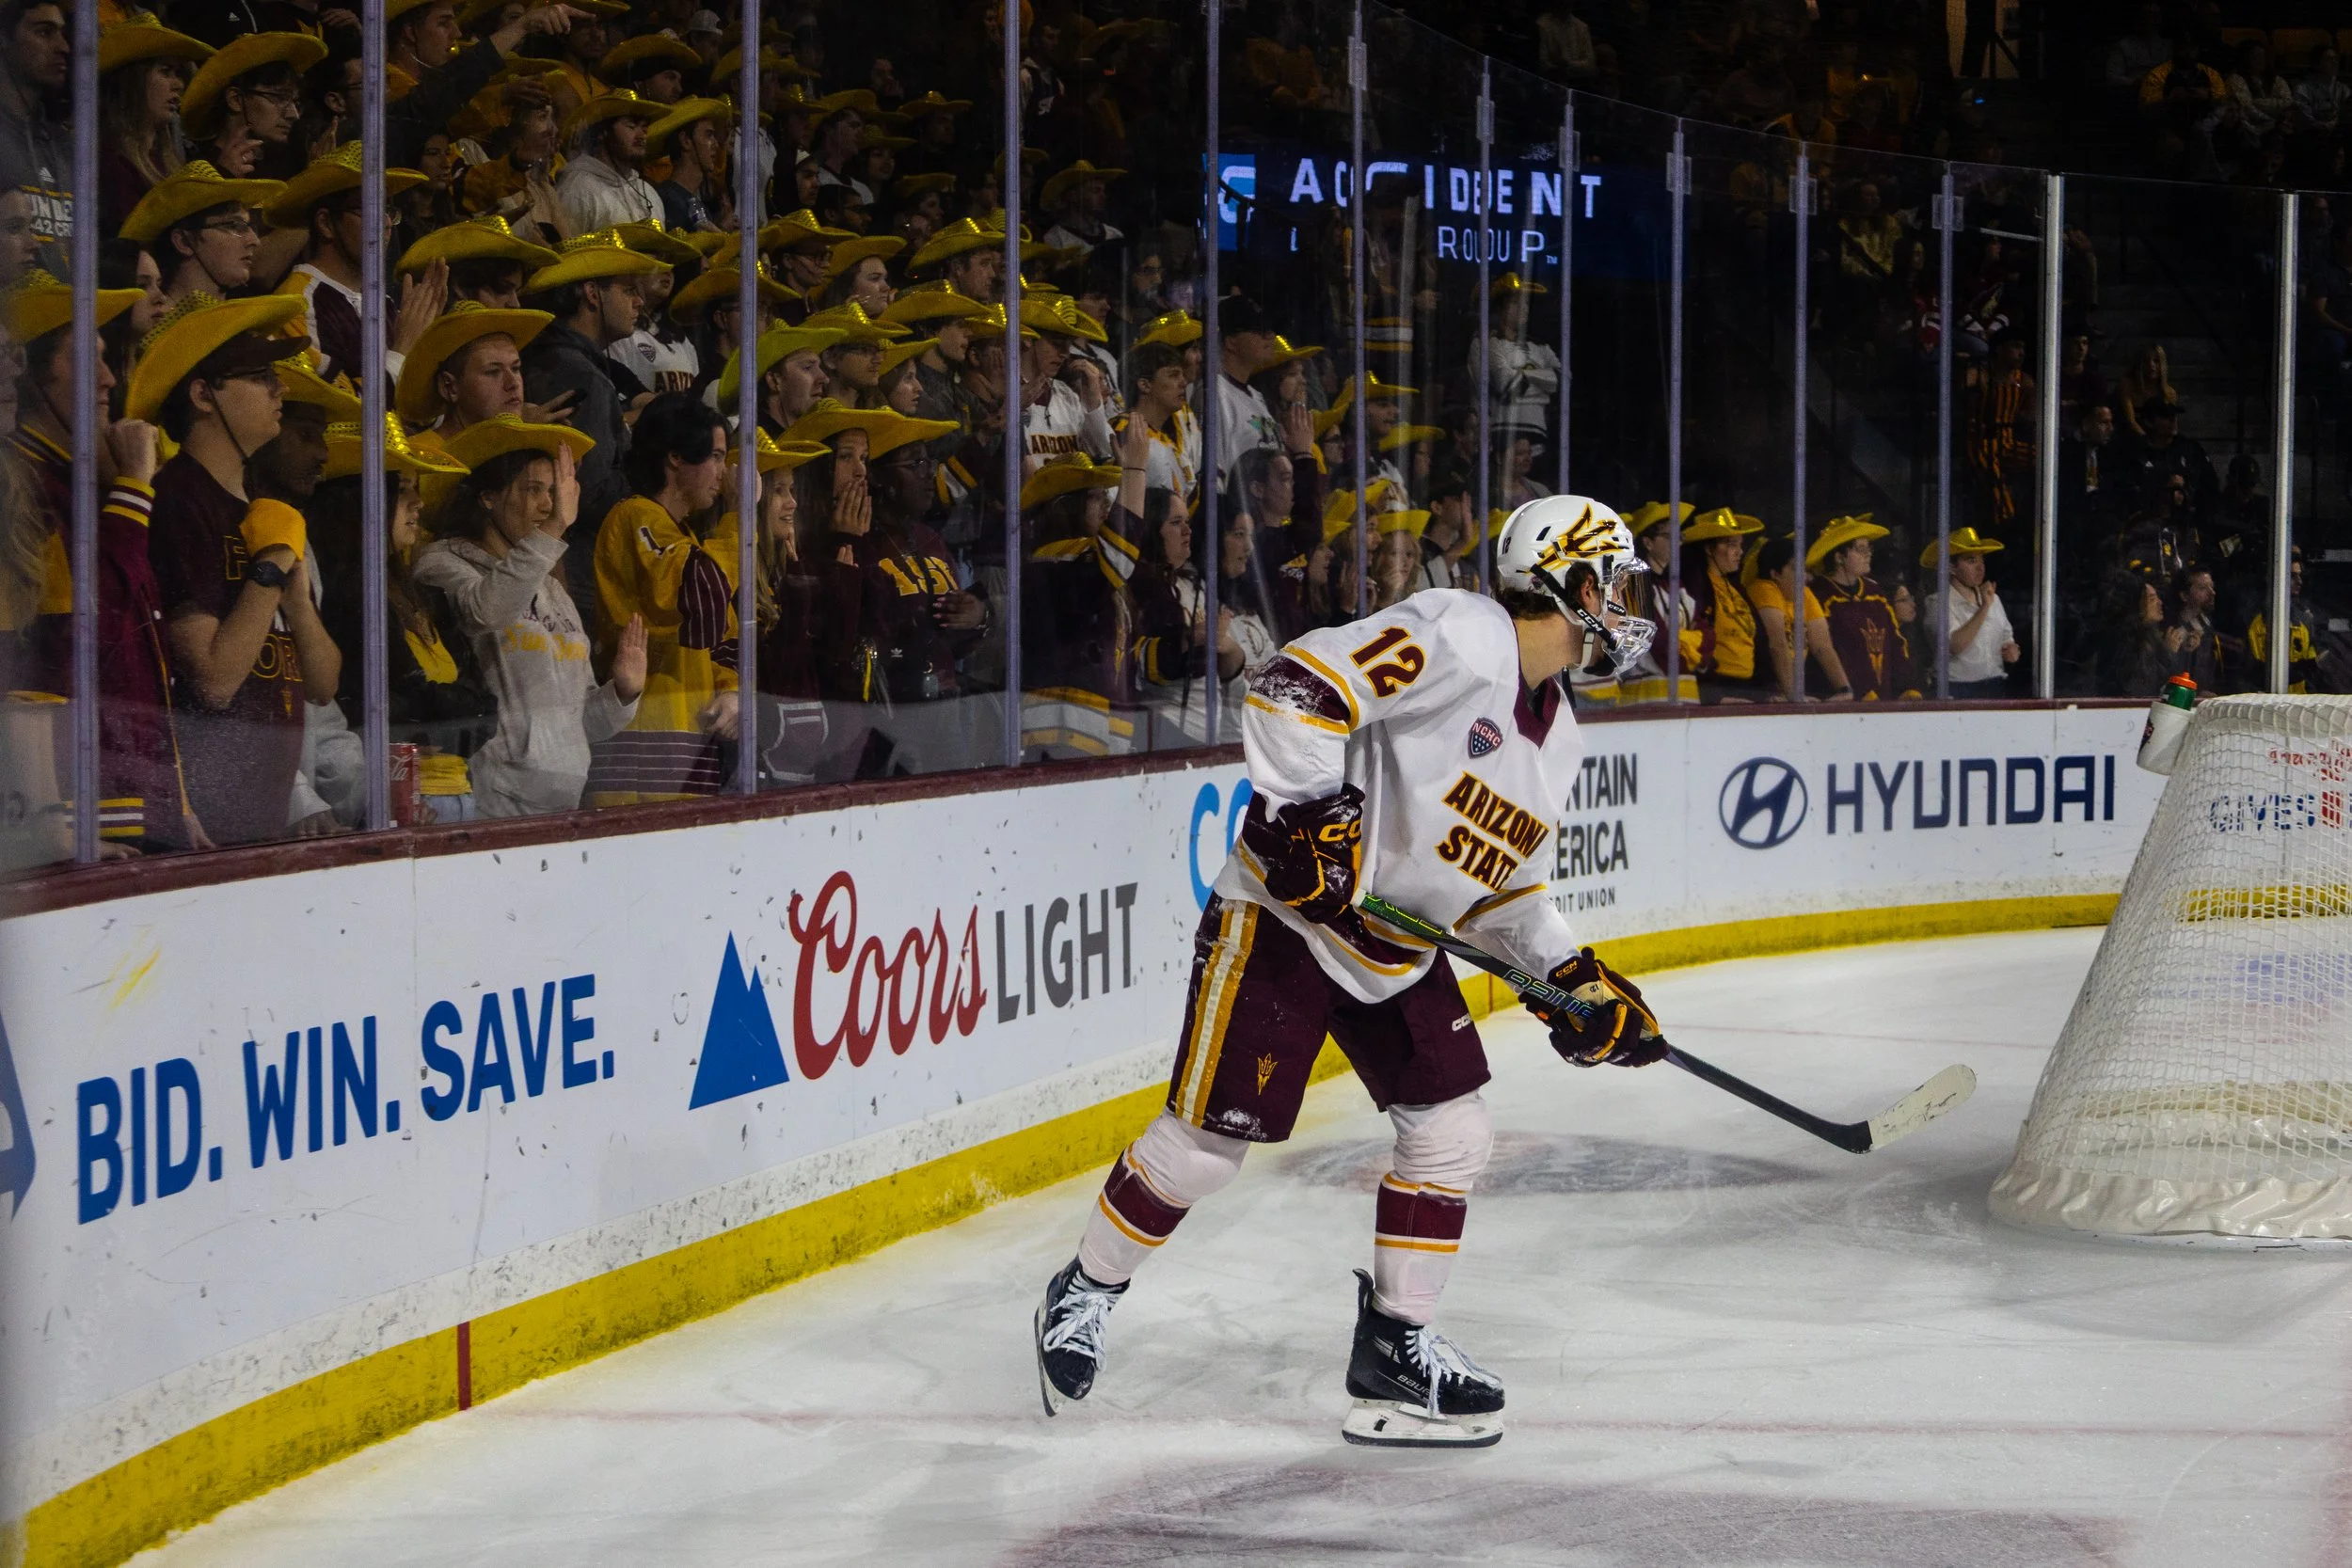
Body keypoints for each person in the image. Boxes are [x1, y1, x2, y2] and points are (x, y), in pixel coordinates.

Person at [1032, 494, 1671, 1448]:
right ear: (1572, 581)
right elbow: (1295, 686)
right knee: (1207, 1145)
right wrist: (1304, 817)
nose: (1630, 605)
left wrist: (1573, 976)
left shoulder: (1561, 738)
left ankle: (1393, 1347)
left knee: (1451, 1132)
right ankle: (1083, 1288)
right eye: (1617, 581)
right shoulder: (1462, 632)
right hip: (1286, 917)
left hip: (1394, 942)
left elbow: (1501, 895)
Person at [3, 268, 203, 853]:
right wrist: (135, 487)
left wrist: (177, 801)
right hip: (82, 816)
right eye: (85, 359)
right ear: (35, 370)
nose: (109, 378)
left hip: (130, 805)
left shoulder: (77, 480)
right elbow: (80, 634)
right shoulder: (26, 485)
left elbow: (141, 647)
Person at [134, 292, 342, 847]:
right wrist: (271, 570)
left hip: (260, 817)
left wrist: (295, 600)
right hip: (204, 823)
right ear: (204, 394)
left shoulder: (258, 510)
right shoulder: (179, 499)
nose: (281, 389)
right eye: (259, 377)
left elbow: (324, 684)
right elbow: (215, 679)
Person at [414, 415, 649, 816]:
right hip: (492, 798)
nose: (548, 505)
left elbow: (582, 724)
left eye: (554, 492)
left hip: (564, 801)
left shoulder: (552, 588)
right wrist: (555, 528)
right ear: (488, 496)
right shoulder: (443, 562)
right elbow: (485, 611)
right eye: (534, 490)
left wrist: (622, 693)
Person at [584, 391, 741, 804]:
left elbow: (721, 633)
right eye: (717, 456)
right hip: (639, 759)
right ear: (675, 458)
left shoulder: (686, 537)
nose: (723, 474)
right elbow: (700, 592)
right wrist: (738, 521)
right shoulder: (634, 516)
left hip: (688, 750)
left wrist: (731, 690)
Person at [521, 230, 666, 597]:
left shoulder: (554, 357)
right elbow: (592, 494)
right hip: (578, 565)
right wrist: (655, 477)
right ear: (591, 294)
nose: (640, 302)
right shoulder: (580, 373)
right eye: (629, 290)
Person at [97, 15, 210, 238]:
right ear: (133, 82)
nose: (178, 84)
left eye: (178, 73)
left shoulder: (166, 160)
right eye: (165, 71)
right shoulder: (111, 161)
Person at [119, 163, 284, 311]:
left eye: (249, 227)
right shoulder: (159, 331)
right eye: (234, 226)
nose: (254, 241)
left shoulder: (242, 318)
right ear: (183, 242)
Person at [1807, 515, 1918, 701]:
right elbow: (1828, 650)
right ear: (1839, 557)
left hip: (1882, 699)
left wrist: (1908, 686)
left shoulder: (1875, 592)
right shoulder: (1820, 594)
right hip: (1840, 703)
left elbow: (1895, 641)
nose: (1868, 554)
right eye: (1860, 549)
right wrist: (1859, 690)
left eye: (1869, 548)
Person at [0, 0, 75, 253]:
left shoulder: (66, 145)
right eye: (44, 32)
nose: (63, 47)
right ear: (4, 37)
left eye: (62, 34)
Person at [1747, 533, 1850, 701]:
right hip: (1764, 689)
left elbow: (1822, 646)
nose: (1804, 576)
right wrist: (1795, 697)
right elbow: (1777, 646)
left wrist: (1844, 690)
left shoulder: (1803, 593)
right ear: (1775, 574)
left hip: (1790, 691)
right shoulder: (1763, 589)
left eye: (1804, 568)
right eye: (1795, 568)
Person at [1678, 507, 1764, 704]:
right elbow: (1693, 642)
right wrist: (1714, 696)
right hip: (1717, 689)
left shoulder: (1737, 589)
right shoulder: (1695, 586)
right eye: (1732, 544)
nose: (1740, 552)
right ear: (1709, 549)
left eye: (1741, 545)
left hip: (1748, 688)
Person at [1924, 528, 2019, 700]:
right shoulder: (1938, 603)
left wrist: (2011, 649)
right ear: (1952, 567)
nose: (1980, 567)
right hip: (1957, 689)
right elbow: (1953, 645)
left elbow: (2007, 636)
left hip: (1994, 685)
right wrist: (1984, 608)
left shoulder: (1993, 598)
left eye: (1982, 560)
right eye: (1971, 561)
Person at [554, 88, 663, 235]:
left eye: (644, 128)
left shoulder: (648, 192)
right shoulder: (577, 188)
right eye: (631, 126)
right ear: (603, 132)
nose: (641, 135)